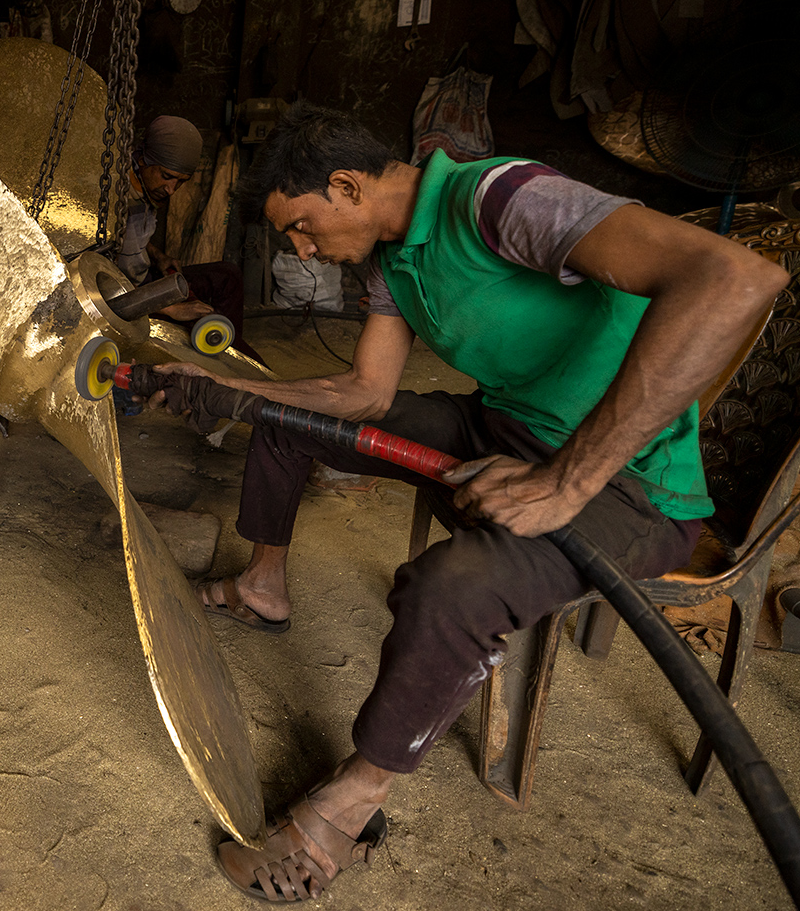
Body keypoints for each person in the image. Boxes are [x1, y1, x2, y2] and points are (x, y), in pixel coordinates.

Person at [148, 102, 786, 902]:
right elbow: (365, 392)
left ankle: (352, 805)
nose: (302, 250)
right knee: (290, 418)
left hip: (632, 489)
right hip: (504, 431)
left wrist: (566, 483)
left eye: (303, 228)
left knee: (452, 588)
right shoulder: (390, 263)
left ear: (346, 186)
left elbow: (736, 276)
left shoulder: (500, 198)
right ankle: (261, 587)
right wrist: (234, 391)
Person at [115, 115, 263, 363]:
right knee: (190, 316)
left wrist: (159, 256)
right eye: (166, 176)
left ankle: (222, 345)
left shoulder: (148, 188)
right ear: (143, 159)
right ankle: (224, 355)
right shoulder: (115, 195)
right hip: (126, 298)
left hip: (148, 281)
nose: (171, 189)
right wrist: (171, 309)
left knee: (227, 275)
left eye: (181, 181)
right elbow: (99, 289)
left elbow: (130, 237)